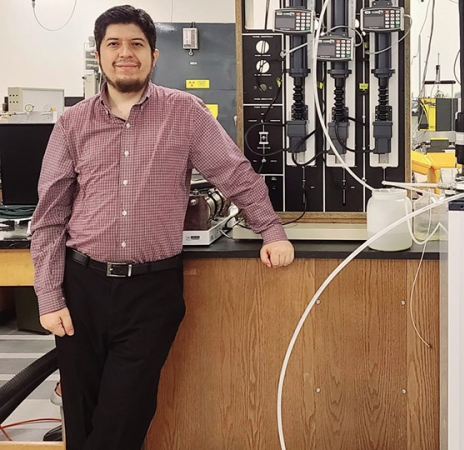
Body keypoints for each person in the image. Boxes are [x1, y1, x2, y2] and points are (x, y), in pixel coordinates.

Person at [29, 5, 294, 449]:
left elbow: (234, 174)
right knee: (81, 413)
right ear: (99, 55)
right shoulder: (73, 123)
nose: (125, 53)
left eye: (136, 44)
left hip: (151, 293)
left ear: (154, 55)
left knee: (123, 415)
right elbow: (50, 216)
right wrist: (49, 295)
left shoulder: (185, 112)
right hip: (82, 289)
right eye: (113, 44)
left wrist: (273, 230)